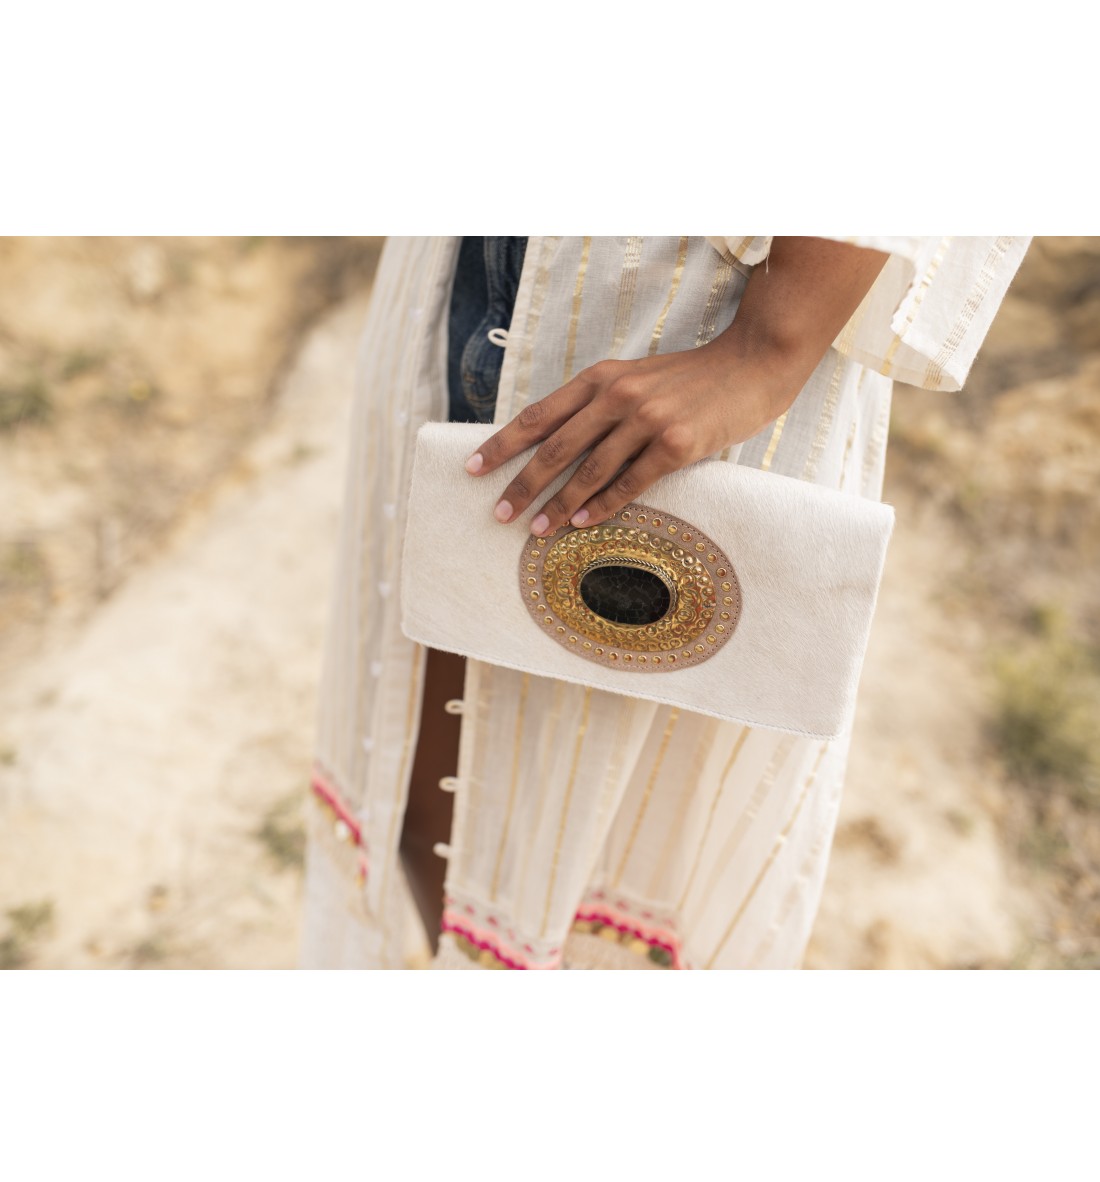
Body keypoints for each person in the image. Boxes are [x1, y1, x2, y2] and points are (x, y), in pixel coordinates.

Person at [300, 235, 1029, 971]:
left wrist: (769, 347)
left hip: (685, 302)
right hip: (455, 264)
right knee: (417, 799)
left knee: (631, 850)